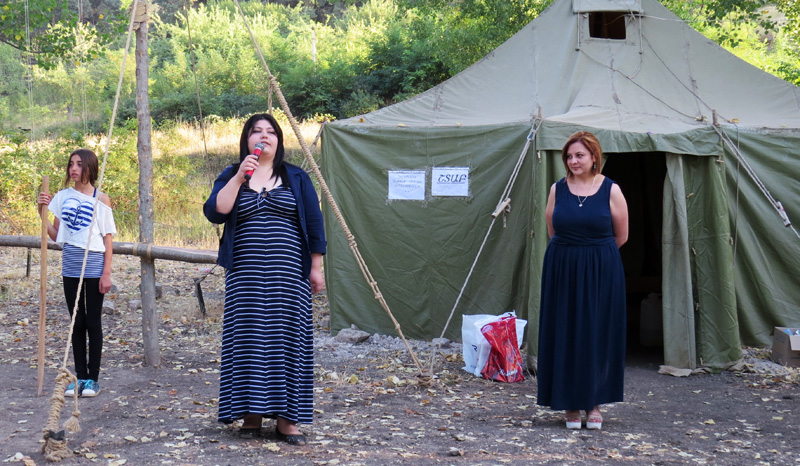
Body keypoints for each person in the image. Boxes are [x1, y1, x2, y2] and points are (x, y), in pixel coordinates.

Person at [203, 113, 326, 445]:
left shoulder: (297, 178)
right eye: (256, 131)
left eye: (271, 132)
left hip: (289, 277)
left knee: (289, 343)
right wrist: (240, 177)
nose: (263, 136)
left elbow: (314, 225)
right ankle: (252, 415)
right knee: (249, 342)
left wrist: (316, 267)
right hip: (245, 277)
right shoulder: (232, 174)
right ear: (246, 139)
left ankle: (288, 421)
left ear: (279, 141)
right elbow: (216, 211)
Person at [536, 131, 628, 430]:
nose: (573, 161)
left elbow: (621, 235)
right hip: (563, 267)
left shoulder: (611, 189)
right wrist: (571, 256)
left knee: (596, 333)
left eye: (580, 155)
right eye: (570, 156)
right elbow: (553, 229)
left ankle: (594, 402)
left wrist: (594, 256)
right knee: (565, 332)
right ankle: (570, 404)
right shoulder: (557, 189)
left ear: (593, 158)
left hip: (601, 268)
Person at [37, 149, 116, 398]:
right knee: (75, 322)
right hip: (70, 264)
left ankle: (93, 379)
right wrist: (41, 211)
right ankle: (79, 377)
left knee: (92, 321)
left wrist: (106, 273)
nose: (74, 169)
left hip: (93, 264)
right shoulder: (62, 196)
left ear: (90, 168)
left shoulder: (101, 199)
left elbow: (108, 240)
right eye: (71, 164)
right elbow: (55, 235)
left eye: (79, 165)